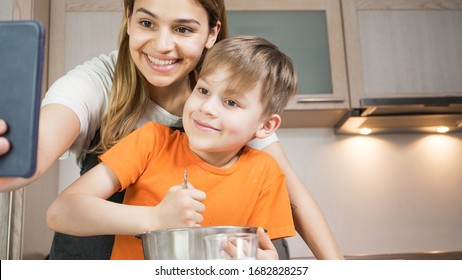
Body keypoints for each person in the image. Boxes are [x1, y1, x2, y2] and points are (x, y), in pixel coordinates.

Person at [0, 0, 343, 260]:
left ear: (211, 33)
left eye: (183, 29)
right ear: (129, 21)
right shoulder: (97, 83)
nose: (162, 45)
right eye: (147, 22)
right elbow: (34, 154)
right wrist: (6, 157)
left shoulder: (235, 92)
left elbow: (293, 198)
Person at [47, 35, 297, 260]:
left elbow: (267, 254)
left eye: (231, 102)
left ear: (266, 126)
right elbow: (61, 212)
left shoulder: (266, 173)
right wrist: (155, 218)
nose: (206, 107)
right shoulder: (150, 142)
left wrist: (265, 267)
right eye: (203, 90)